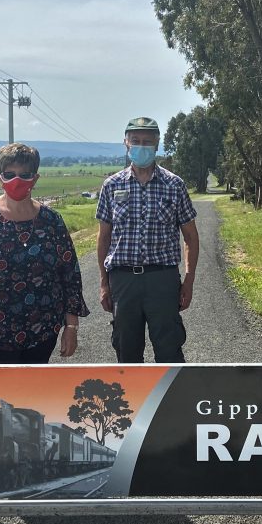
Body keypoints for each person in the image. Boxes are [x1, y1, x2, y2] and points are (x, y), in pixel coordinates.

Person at [0, 142, 89, 364]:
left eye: (25, 174)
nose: (17, 180)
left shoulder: (51, 221)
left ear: (36, 178)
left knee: (32, 395)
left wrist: (71, 327)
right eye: (9, 174)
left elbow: (69, 276)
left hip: (40, 333)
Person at [96, 116, 199, 363]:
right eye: (136, 141)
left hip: (162, 280)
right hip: (123, 280)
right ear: (126, 143)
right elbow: (104, 238)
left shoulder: (174, 185)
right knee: (126, 351)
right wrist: (103, 282)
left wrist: (189, 280)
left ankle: (172, 400)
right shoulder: (111, 185)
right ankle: (133, 402)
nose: (141, 146)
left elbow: (191, 238)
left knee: (169, 349)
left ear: (157, 145)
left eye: (147, 142)